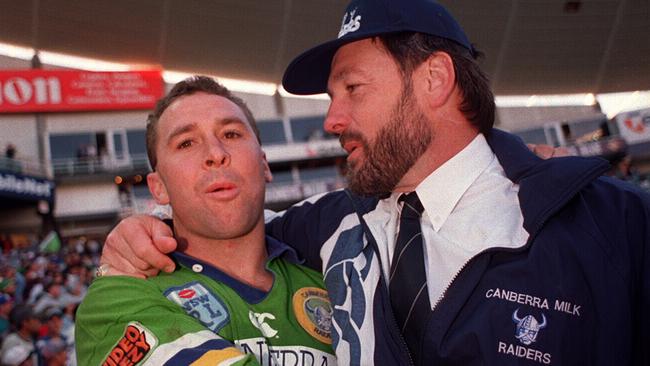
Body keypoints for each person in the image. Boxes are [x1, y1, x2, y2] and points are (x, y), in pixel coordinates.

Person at [101, 0, 650, 365]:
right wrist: (143, 230)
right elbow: (228, 223)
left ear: (434, 79)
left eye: (353, 89)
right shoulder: (331, 221)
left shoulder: (616, 224)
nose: (333, 119)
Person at [75, 76, 335, 365]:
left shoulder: (335, 277)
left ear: (264, 165)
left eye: (231, 134)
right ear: (158, 186)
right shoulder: (117, 299)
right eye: (186, 143)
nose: (215, 154)